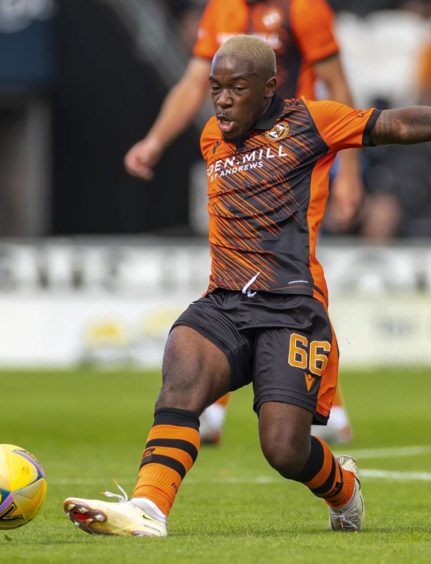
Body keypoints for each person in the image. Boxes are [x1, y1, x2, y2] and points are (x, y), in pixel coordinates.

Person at [64, 35, 431, 537]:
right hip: (224, 302)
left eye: (236, 88)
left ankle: (344, 489)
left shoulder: (312, 121)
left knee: (284, 449)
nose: (222, 99)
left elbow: (394, 124)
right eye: (216, 87)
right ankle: (148, 509)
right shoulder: (212, 136)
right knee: (181, 369)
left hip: (290, 307)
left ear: (269, 88)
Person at [125, 0, 362, 446]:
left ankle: (325, 401)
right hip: (238, 155)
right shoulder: (223, 10)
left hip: (291, 154)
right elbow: (196, 79)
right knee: (237, 272)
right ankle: (215, 405)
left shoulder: (306, 10)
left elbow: (336, 81)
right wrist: (155, 141)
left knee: (292, 270)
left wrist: (348, 171)